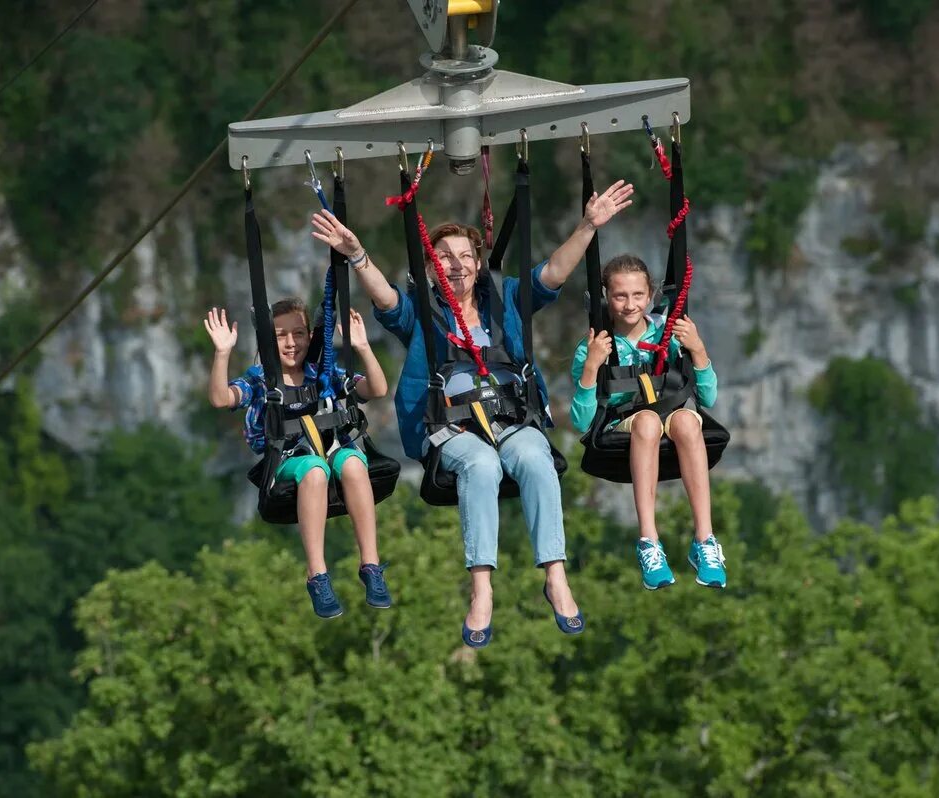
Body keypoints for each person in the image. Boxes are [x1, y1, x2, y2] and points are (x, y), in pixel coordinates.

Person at [309, 179, 635, 647]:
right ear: (430, 266)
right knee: (481, 466)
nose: (456, 266)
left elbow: (553, 274)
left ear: (479, 265)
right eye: (444, 258)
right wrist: (358, 255)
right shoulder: (424, 311)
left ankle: (556, 575)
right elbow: (385, 299)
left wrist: (588, 225)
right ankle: (481, 589)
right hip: (451, 429)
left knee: (535, 457)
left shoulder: (504, 302)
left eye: (465, 257)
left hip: (512, 419)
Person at [204, 298, 392, 618]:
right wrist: (223, 353)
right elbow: (222, 398)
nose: (291, 343)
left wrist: (362, 346)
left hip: (330, 450)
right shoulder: (262, 379)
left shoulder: (324, 373)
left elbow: (377, 388)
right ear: (267, 341)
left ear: (310, 336)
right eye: (280, 336)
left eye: (299, 333)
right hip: (290, 461)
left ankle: (370, 565)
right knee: (315, 470)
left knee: (354, 462)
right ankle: (317, 575)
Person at [569, 254, 727, 589]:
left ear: (651, 295)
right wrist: (591, 368)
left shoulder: (667, 336)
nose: (629, 305)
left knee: (687, 421)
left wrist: (697, 351)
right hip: (624, 426)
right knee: (647, 423)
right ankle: (649, 541)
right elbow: (580, 420)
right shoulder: (595, 347)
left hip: (669, 417)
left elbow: (708, 399)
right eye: (620, 296)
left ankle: (705, 540)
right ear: (606, 298)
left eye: (638, 295)